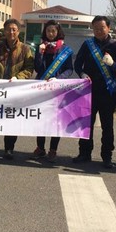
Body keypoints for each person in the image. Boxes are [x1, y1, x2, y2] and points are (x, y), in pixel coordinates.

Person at [73, 15, 116, 168]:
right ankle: (84, 153)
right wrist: (82, 74)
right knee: (86, 124)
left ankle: (107, 156)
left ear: (108, 28)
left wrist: (113, 64)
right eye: (95, 29)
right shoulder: (87, 44)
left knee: (107, 126)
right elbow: (78, 64)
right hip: (88, 91)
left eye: (102, 28)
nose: (99, 31)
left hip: (108, 92)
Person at [0, 18, 34, 160]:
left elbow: (29, 68)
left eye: (14, 29)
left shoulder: (25, 49)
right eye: (8, 29)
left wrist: (18, 77)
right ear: (4, 31)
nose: (11, 32)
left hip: (15, 89)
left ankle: (9, 149)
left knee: (11, 119)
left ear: (18, 31)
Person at [32, 20, 74, 162]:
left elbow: (70, 69)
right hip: (42, 88)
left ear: (58, 32)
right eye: (48, 31)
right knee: (41, 119)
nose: (51, 33)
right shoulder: (41, 47)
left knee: (56, 120)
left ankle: (53, 149)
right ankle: (40, 148)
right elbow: (37, 68)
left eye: (53, 31)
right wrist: (40, 53)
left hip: (58, 89)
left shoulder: (65, 49)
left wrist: (59, 78)